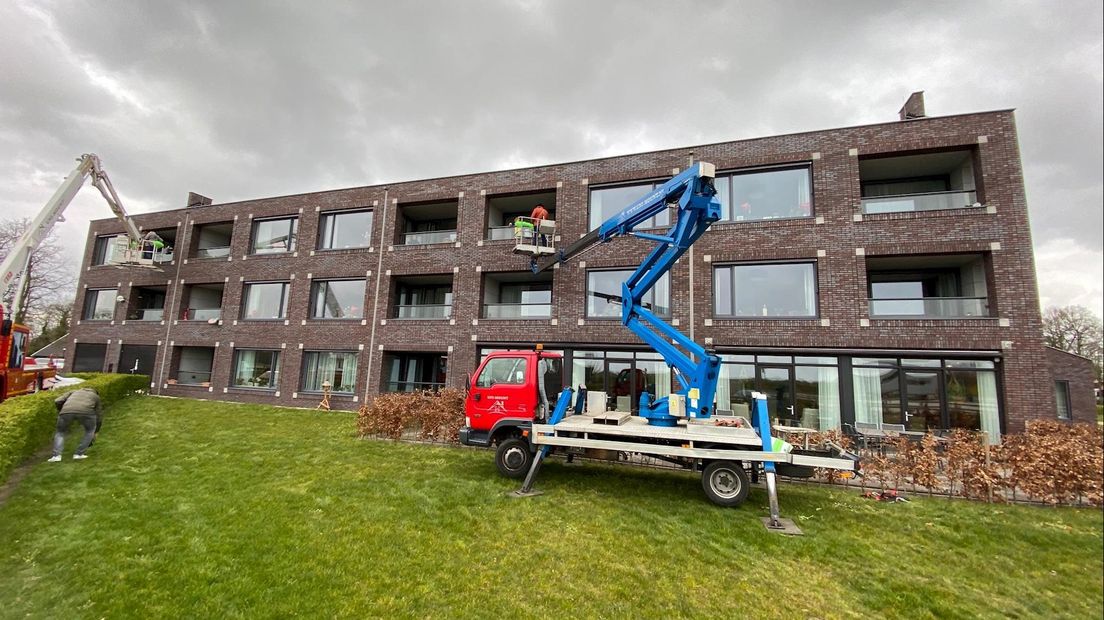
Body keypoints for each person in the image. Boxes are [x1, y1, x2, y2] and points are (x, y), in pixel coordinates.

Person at [48, 387, 102, 462]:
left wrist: (61, 410)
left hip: (66, 412)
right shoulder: (96, 396)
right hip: (87, 412)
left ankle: (56, 456)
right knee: (90, 431)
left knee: (60, 432)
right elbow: (98, 414)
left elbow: (58, 400)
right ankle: (79, 454)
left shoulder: (73, 392)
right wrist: (96, 431)